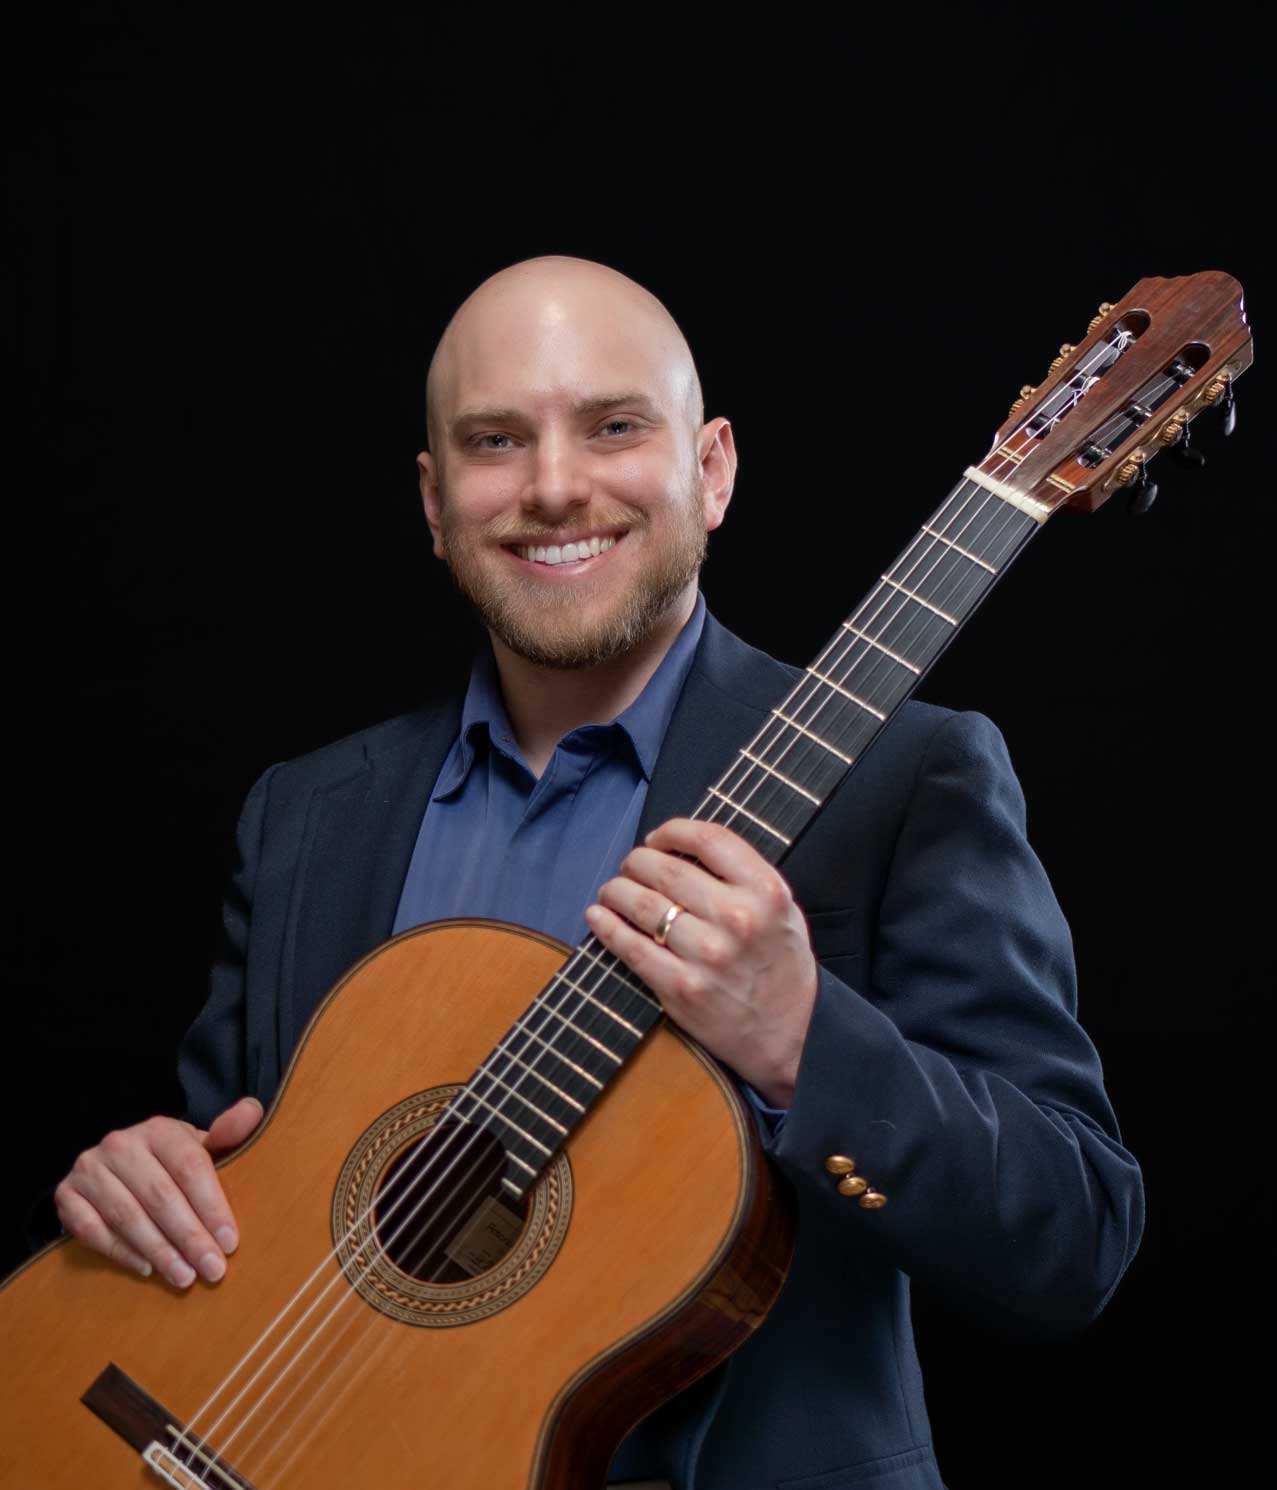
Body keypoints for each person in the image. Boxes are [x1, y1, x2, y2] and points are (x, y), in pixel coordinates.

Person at [51, 255, 1145, 1489]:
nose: (555, 486)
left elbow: (1074, 1239)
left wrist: (801, 1040)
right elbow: (229, 1183)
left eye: (614, 426)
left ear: (711, 469)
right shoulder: (307, 816)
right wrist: (140, 1181)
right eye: (495, 440)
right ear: (434, 500)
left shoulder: (901, 778)